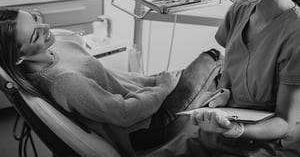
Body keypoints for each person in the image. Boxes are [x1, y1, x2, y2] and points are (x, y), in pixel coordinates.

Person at [146, 0, 300, 156]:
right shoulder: (239, 12)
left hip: (261, 146)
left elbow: (285, 122)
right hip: (215, 137)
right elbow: (228, 74)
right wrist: (218, 96)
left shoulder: (295, 33)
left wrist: (237, 130)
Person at [0, 8, 223, 156]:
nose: (46, 28)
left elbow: (115, 77)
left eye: (36, 20)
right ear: (18, 57)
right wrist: (163, 88)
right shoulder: (64, 82)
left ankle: (212, 99)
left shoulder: (56, 48)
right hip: (146, 127)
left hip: (145, 101)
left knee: (200, 76)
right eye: (35, 35)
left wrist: (154, 81)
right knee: (212, 59)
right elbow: (124, 115)